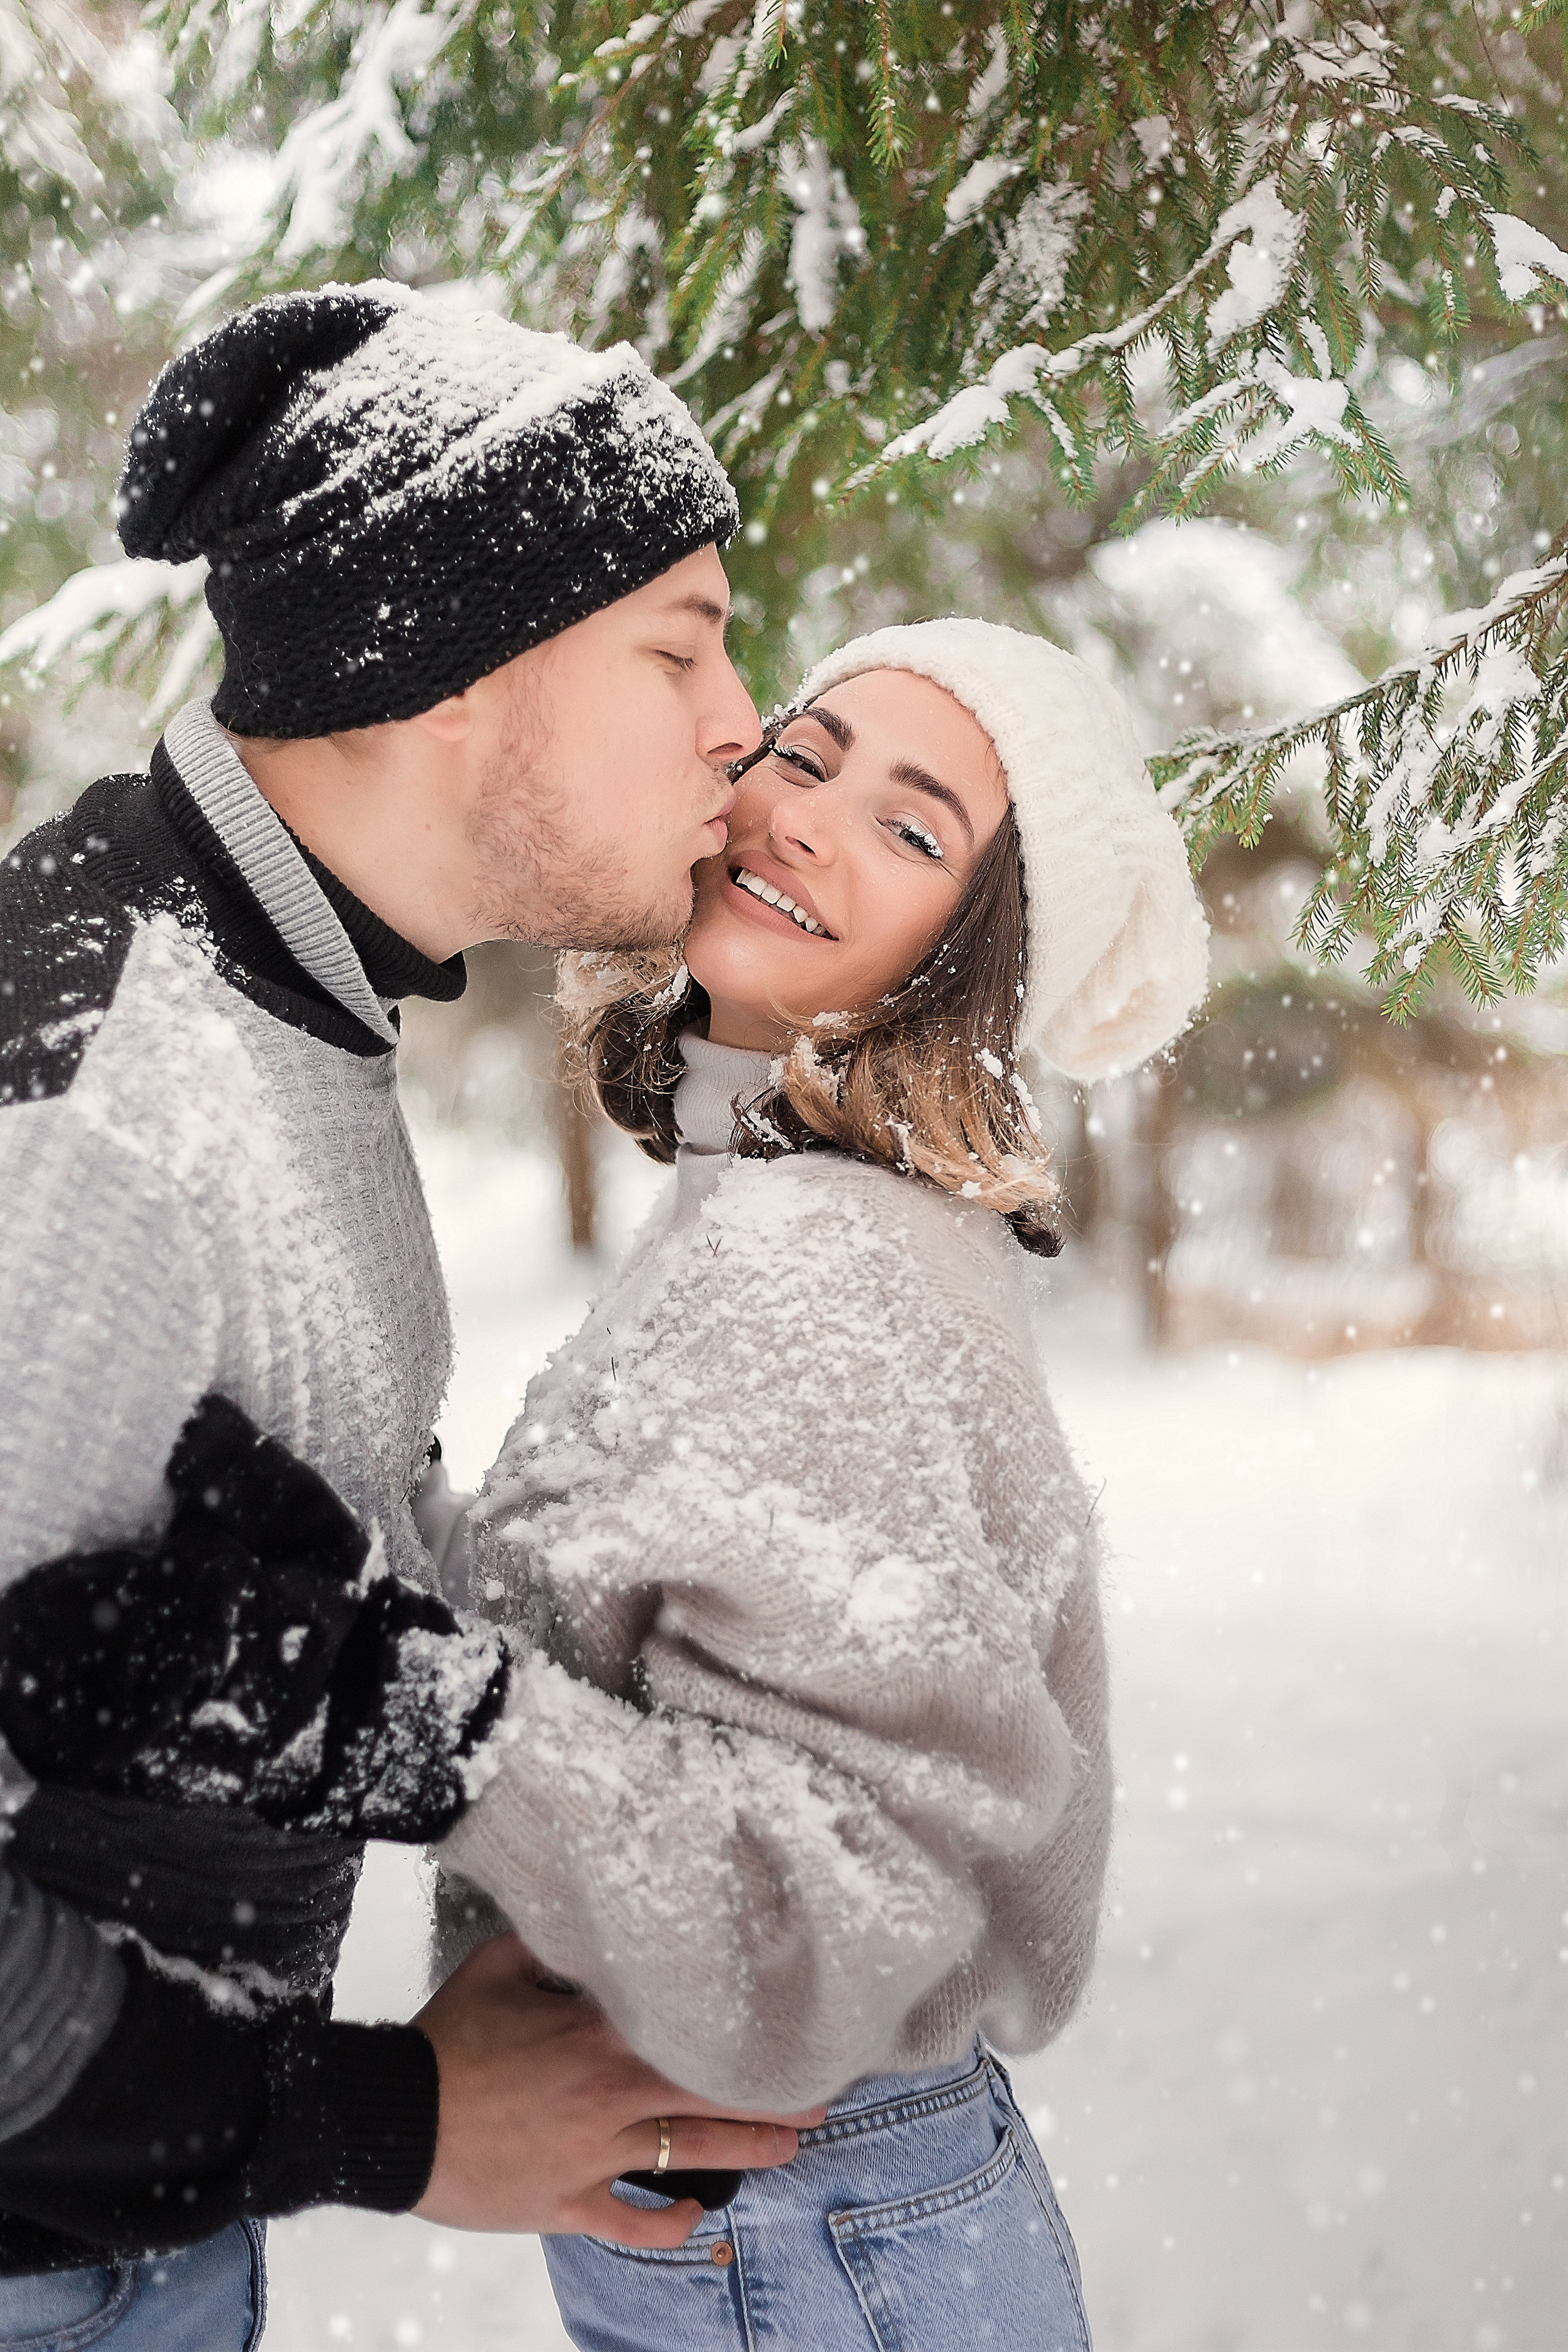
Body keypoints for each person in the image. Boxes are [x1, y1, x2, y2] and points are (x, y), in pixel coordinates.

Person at [0, 281, 818, 2348]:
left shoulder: (275, 1008)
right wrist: (385, 2118)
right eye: (681, 644)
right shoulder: (99, 1128)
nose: (745, 721)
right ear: (440, 668)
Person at [437, 618, 1210, 2350]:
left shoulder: (822, 1271)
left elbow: (807, 1939)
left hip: (805, 2221)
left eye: (914, 828)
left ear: (969, 969)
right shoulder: (764, 1204)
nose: (804, 816)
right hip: (807, 2221)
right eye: (809, 750)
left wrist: (399, 1700)